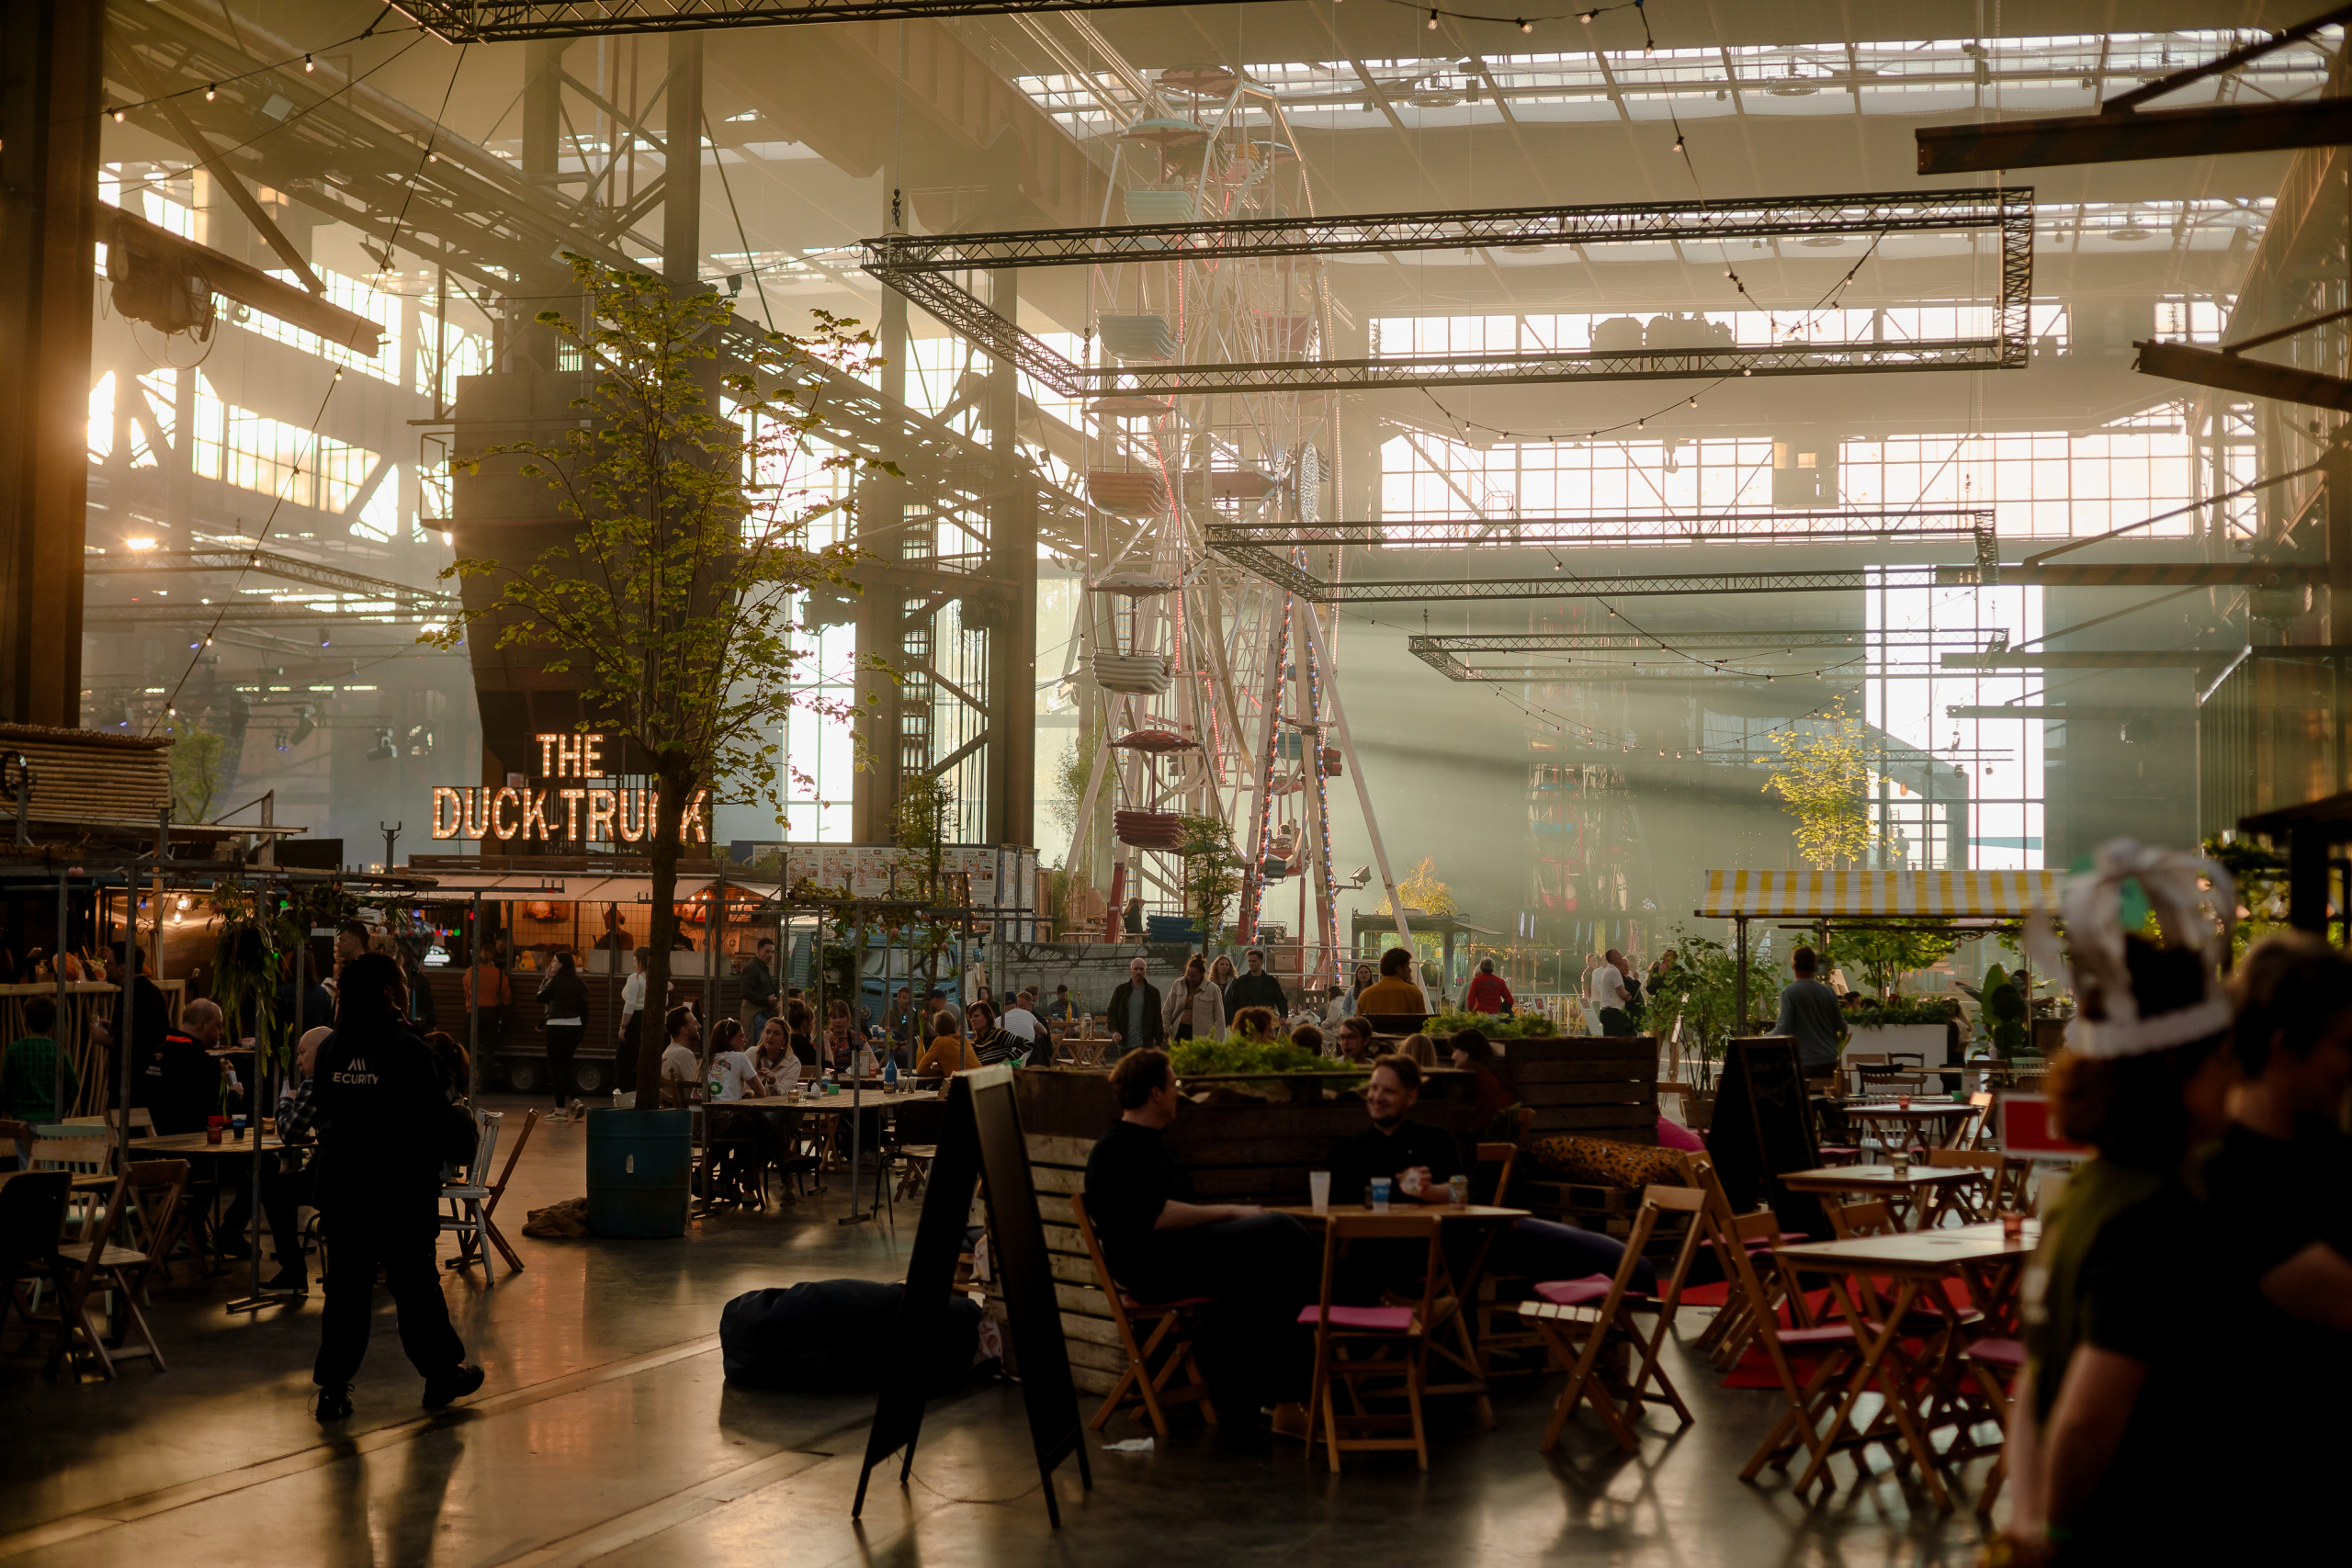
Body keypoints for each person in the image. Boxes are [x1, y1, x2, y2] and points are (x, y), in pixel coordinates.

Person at [2006, 841, 2240, 1565]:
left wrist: (2026, 1516)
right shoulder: (2157, 1217)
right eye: (2222, 1058)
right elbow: (2086, 1414)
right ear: (2175, 1070)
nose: (2236, 1075)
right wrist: (2062, 1532)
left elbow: (2034, 1380)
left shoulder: (2082, 1193)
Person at [2199, 931, 2352, 1543]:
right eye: (2345, 1045)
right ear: (2286, 1046)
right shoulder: (2223, 1179)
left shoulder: (2331, 1151)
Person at [1081, 1049, 1317, 1427]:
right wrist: (1233, 1212)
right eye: (1173, 1084)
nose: (1178, 1091)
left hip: (1182, 1256)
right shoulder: (1116, 1149)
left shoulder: (1154, 1144)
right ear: (1155, 1093)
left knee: (1279, 1270)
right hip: (1153, 1269)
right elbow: (1155, 1216)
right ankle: (1371, 1303)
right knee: (1279, 1230)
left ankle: (1286, 1403)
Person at [309, 952, 482, 1423]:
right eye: (402, 982)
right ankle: (442, 1375)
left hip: (343, 1191)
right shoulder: (408, 1050)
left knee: (345, 1292)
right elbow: (434, 1121)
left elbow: (325, 1111)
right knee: (416, 1288)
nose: (406, 989)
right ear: (389, 992)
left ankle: (333, 1389)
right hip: (399, 1193)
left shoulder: (330, 1049)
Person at [1332, 1055, 1649, 1292]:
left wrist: (1432, 1193)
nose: (1376, 1097)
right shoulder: (1350, 1149)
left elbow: (1462, 1192)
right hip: (1372, 1254)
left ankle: (1630, 1277)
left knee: (1488, 1244)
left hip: (1438, 1250)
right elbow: (1338, 1205)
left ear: (1411, 1097)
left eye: (1387, 1091)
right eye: (1373, 1089)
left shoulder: (1434, 1140)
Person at [1770, 946, 1846, 1074]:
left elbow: (1783, 1030)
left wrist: (1762, 1038)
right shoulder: (1829, 992)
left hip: (1804, 1063)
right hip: (1830, 1062)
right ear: (1814, 966)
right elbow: (1842, 1027)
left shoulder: (1790, 993)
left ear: (1793, 965)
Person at [2, 996, 73, 1124]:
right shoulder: (57, 1050)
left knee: (25, 1145)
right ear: (52, 1023)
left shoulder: (15, 1050)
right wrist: (60, 1109)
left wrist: (14, 1110)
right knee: (50, 1145)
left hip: (23, 1117)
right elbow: (72, 1086)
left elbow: (6, 1087)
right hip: (52, 1117)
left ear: (26, 1022)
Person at [537, 949, 589, 1122]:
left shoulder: (554, 981)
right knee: (564, 1066)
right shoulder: (580, 984)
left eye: (554, 962)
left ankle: (560, 1109)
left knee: (556, 1068)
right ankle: (575, 1100)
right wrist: (581, 1032)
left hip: (556, 1027)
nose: (551, 964)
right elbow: (585, 1010)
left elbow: (539, 998)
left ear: (562, 965)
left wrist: (545, 979)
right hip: (574, 1028)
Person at [1449, 1027, 1521, 1134]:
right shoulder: (1492, 1071)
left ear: (1466, 1052)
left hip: (1482, 1139)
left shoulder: (1469, 1071)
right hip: (1500, 1137)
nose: (1452, 1057)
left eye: (1455, 1051)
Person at [1105, 955, 1166, 1061]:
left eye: (1142, 969)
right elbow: (1112, 1012)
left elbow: (1157, 1018)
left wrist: (1158, 1043)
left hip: (1145, 1044)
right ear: (1130, 970)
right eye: (1136, 969)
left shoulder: (1153, 992)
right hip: (1124, 1043)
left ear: (1146, 971)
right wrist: (1114, 1031)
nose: (1138, 971)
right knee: (1127, 1073)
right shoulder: (1121, 990)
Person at [461, 942, 511, 1055]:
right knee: (489, 1048)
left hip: (473, 1011)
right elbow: (506, 996)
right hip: (491, 1013)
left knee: (466, 1044)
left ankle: (468, 1069)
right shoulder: (499, 974)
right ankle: (485, 1071)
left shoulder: (471, 971)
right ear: (493, 956)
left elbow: (467, 991)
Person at [1164, 953, 1225, 1043]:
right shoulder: (1178, 984)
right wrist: (1165, 1028)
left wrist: (1218, 1040)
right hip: (1179, 1032)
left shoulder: (1213, 989)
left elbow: (1219, 1017)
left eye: (1193, 976)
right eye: (1188, 975)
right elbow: (1167, 1009)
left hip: (1202, 1037)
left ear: (1201, 974)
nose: (1190, 978)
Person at [1355, 947, 1428, 1017]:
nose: (1410, 970)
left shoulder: (1365, 996)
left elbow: (1359, 1027)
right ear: (1399, 969)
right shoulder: (1414, 994)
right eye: (1407, 966)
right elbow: (1422, 1025)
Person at [617, 948, 650, 1101]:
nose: (633, 960)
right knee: (640, 1058)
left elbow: (630, 1004)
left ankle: (626, 1094)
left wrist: (623, 1027)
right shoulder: (653, 978)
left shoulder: (635, 978)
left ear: (640, 960)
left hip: (635, 1020)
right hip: (647, 1019)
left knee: (624, 1060)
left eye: (634, 957)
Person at [739, 937, 781, 1045]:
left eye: (772, 952)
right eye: (767, 951)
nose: (770, 955)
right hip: (755, 1014)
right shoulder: (753, 968)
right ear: (758, 951)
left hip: (762, 1014)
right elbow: (745, 992)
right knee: (758, 1048)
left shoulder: (762, 968)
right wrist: (766, 1000)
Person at [659, 1006, 703, 1106]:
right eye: (695, 1023)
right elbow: (697, 1092)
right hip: (685, 1114)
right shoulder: (684, 1054)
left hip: (670, 1111)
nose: (699, 1026)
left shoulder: (668, 1051)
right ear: (685, 1030)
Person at [917, 1010, 981, 1078]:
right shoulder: (964, 1039)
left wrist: (940, 1072)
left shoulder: (940, 1041)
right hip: (980, 1079)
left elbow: (921, 1070)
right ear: (954, 1025)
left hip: (964, 1084)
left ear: (936, 1029)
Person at [1225, 948, 1288, 1015]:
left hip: (1265, 1019)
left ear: (1261, 962)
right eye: (1249, 961)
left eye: (1254, 961)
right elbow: (1234, 1002)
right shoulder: (1241, 981)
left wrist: (1283, 1015)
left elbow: (1280, 1000)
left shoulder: (1271, 981)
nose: (1251, 963)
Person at [967, 1000, 1019, 1067]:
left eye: (977, 1016)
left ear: (988, 1017)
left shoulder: (998, 1034)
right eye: (971, 1017)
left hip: (1003, 1076)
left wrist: (1008, 1059)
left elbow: (1026, 1044)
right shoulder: (975, 1044)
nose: (972, 1020)